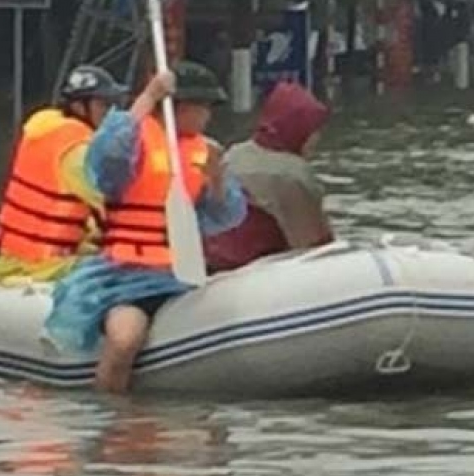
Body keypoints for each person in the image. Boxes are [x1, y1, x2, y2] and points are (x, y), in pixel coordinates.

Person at [45, 61, 247, 394]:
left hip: (183, 277)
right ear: (177, 107)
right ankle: (114, 420)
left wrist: (217, 180)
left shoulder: (205, 151)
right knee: (125, 341)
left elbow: (225, 216)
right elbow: (106, 159)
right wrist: (149, 96)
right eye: (202, 107)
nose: (207, 116)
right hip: (126, 278)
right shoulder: (133, 143)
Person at [0, 66, 127, 286]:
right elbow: (113, 201)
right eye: (103, 105)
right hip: (45, 266)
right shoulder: (78, 148)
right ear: (80, 107)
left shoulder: (46, 129)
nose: (110, 112)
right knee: (130, 270)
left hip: (14, 259)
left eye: (112, 105)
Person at [203, 82, 334, 272]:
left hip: (213, 264)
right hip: (258, 269)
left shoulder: (234, 154)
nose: (317, 138)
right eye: (313, 130)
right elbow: (314, 247)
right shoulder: (292, 175)